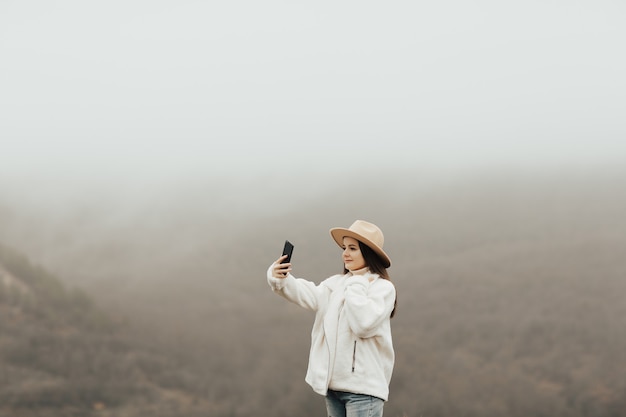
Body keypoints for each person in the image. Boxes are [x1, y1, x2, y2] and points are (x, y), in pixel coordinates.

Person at [267, 220, 396, 417]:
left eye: (352, 248)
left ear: (368, 253)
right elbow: (306, 293)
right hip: (333, 388)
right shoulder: (336, 284)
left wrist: (357, 283)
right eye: (344, 247)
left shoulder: (383, 288)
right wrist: (280, 278)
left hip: (363, 391)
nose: (345, 253)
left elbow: (363, 324)